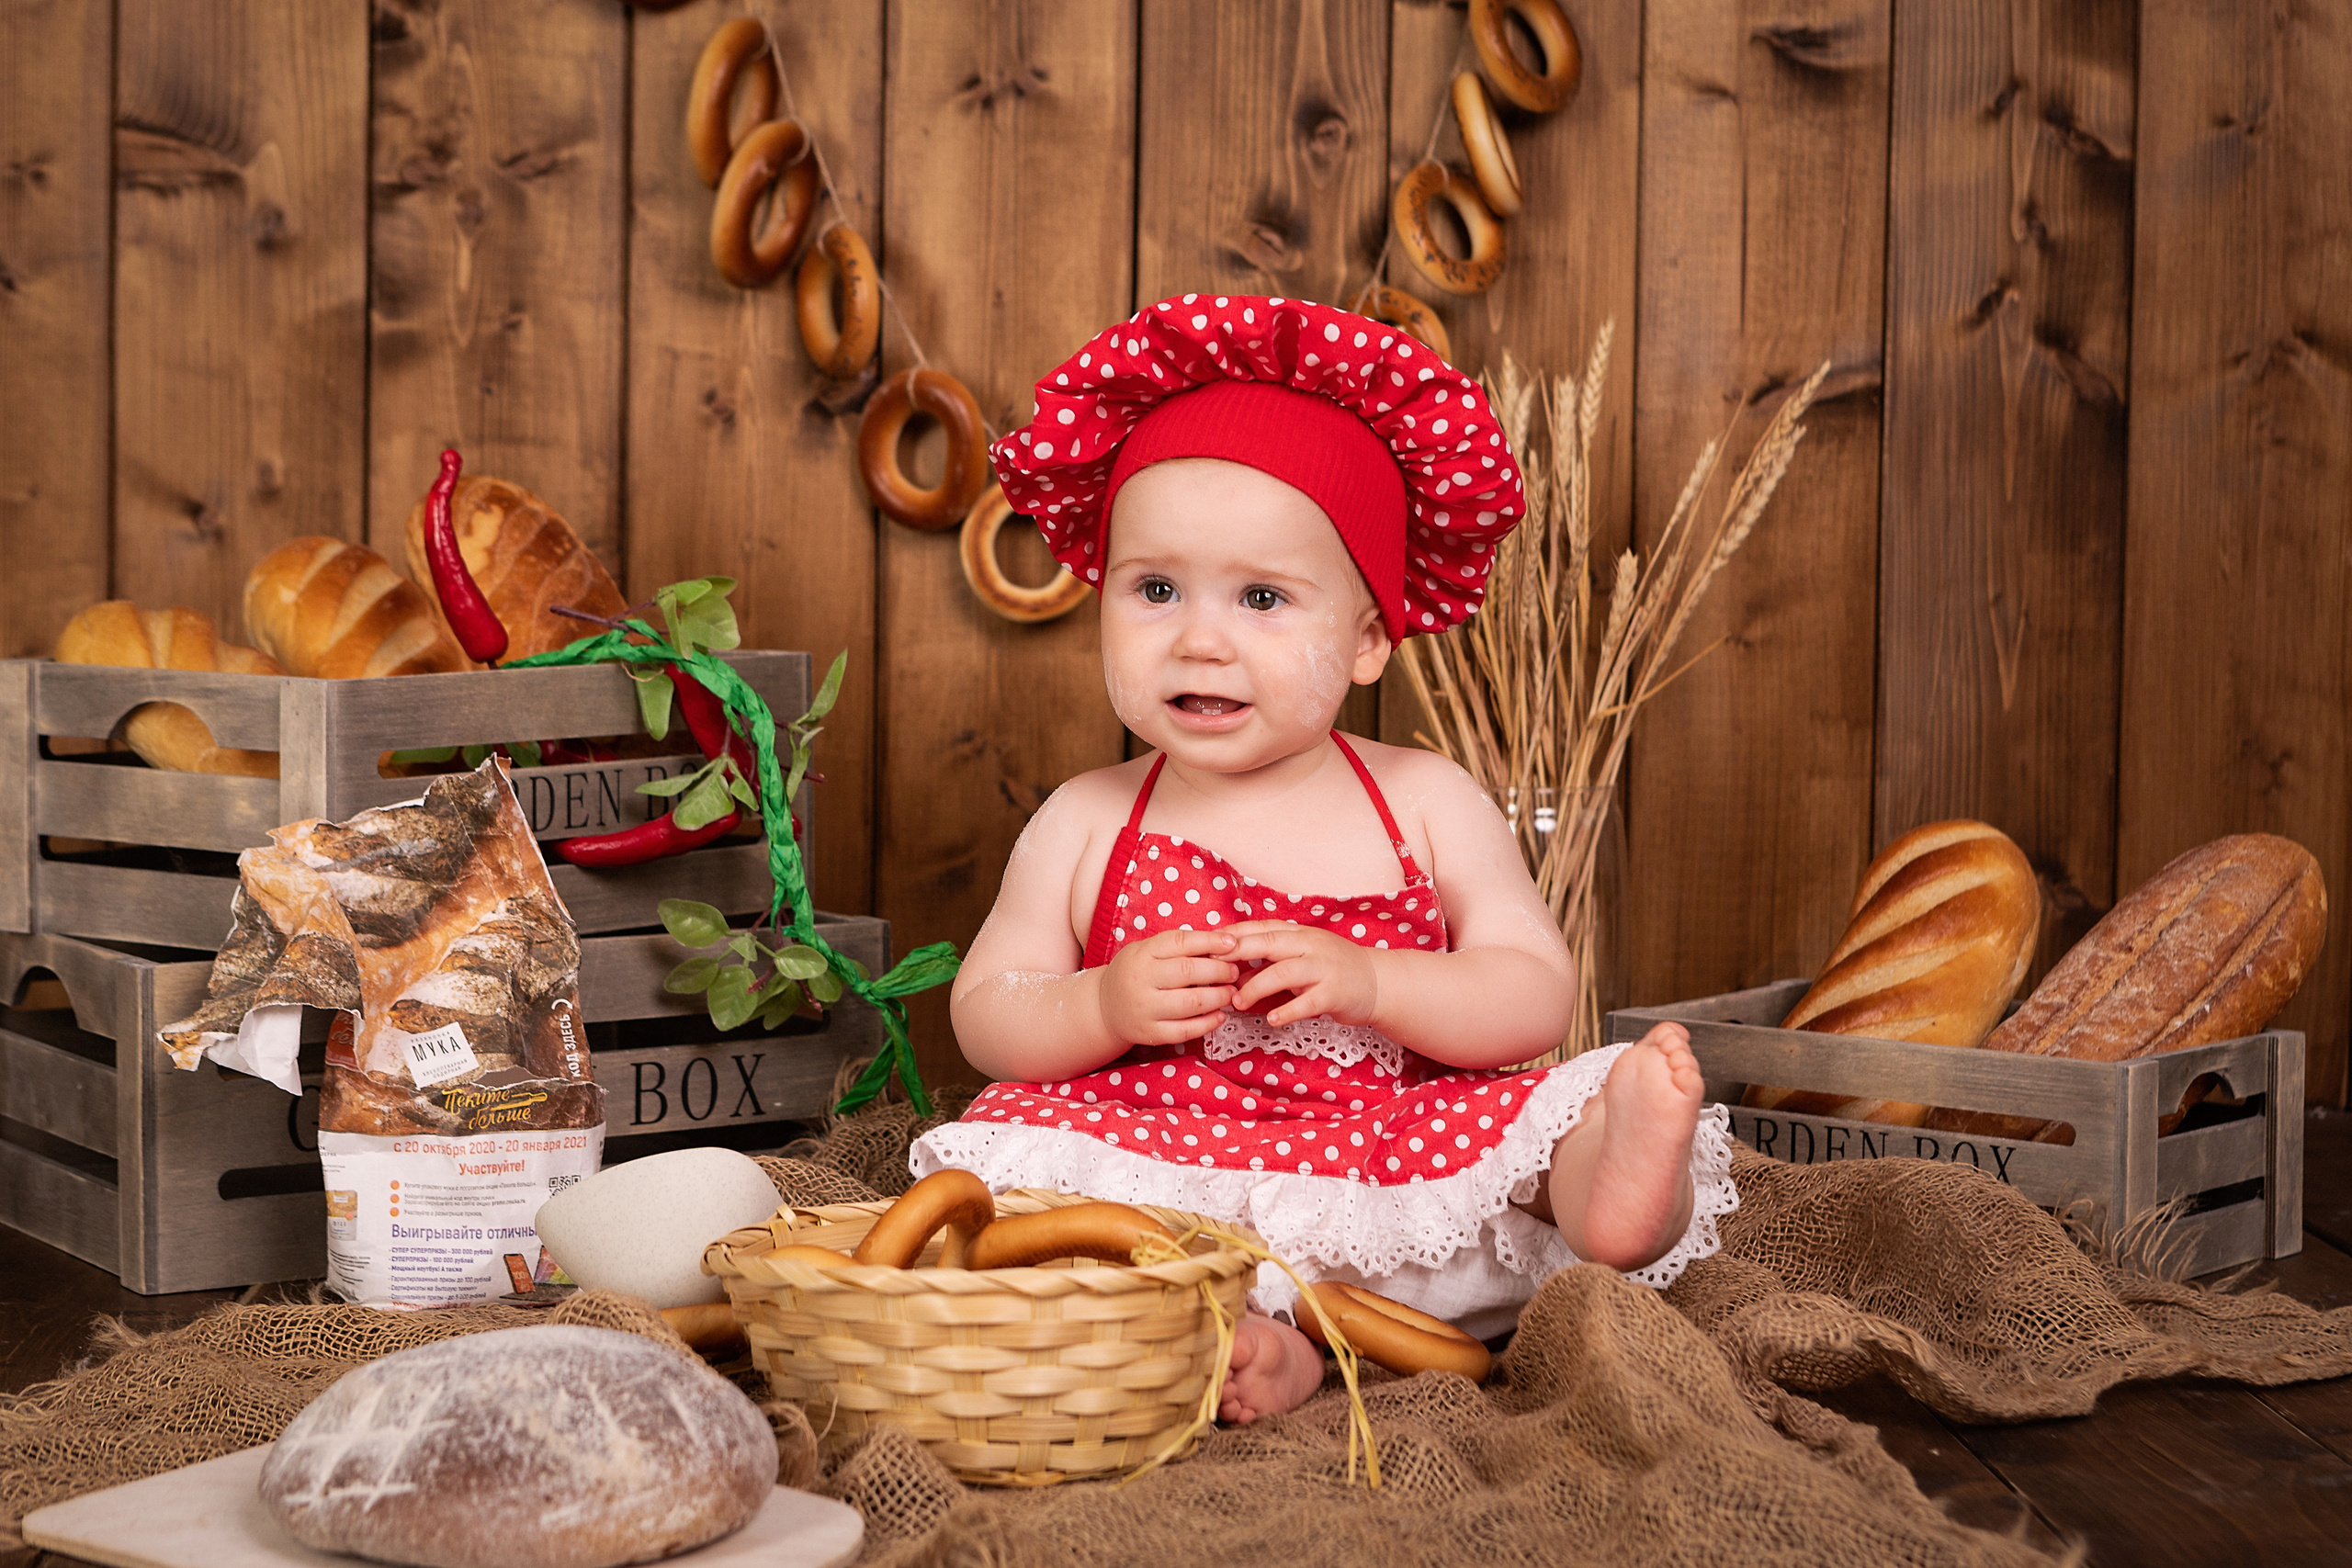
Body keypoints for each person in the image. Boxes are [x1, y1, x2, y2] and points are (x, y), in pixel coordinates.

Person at [910, 295, 1736, 1424]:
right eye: (1154, 590)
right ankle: (1276, 1343)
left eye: (1260, 597)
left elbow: (1533, 994)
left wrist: (1376, 982)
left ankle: (1610, 1190)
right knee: (1010, 1174)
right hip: (1160, 1162)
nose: (1199, 637)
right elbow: (987, 1010)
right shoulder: (1086, 817)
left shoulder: (1421, 797)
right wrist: (1100, 1002)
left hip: (1385, 1159)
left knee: (1540, 1122)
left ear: (1363, 641)